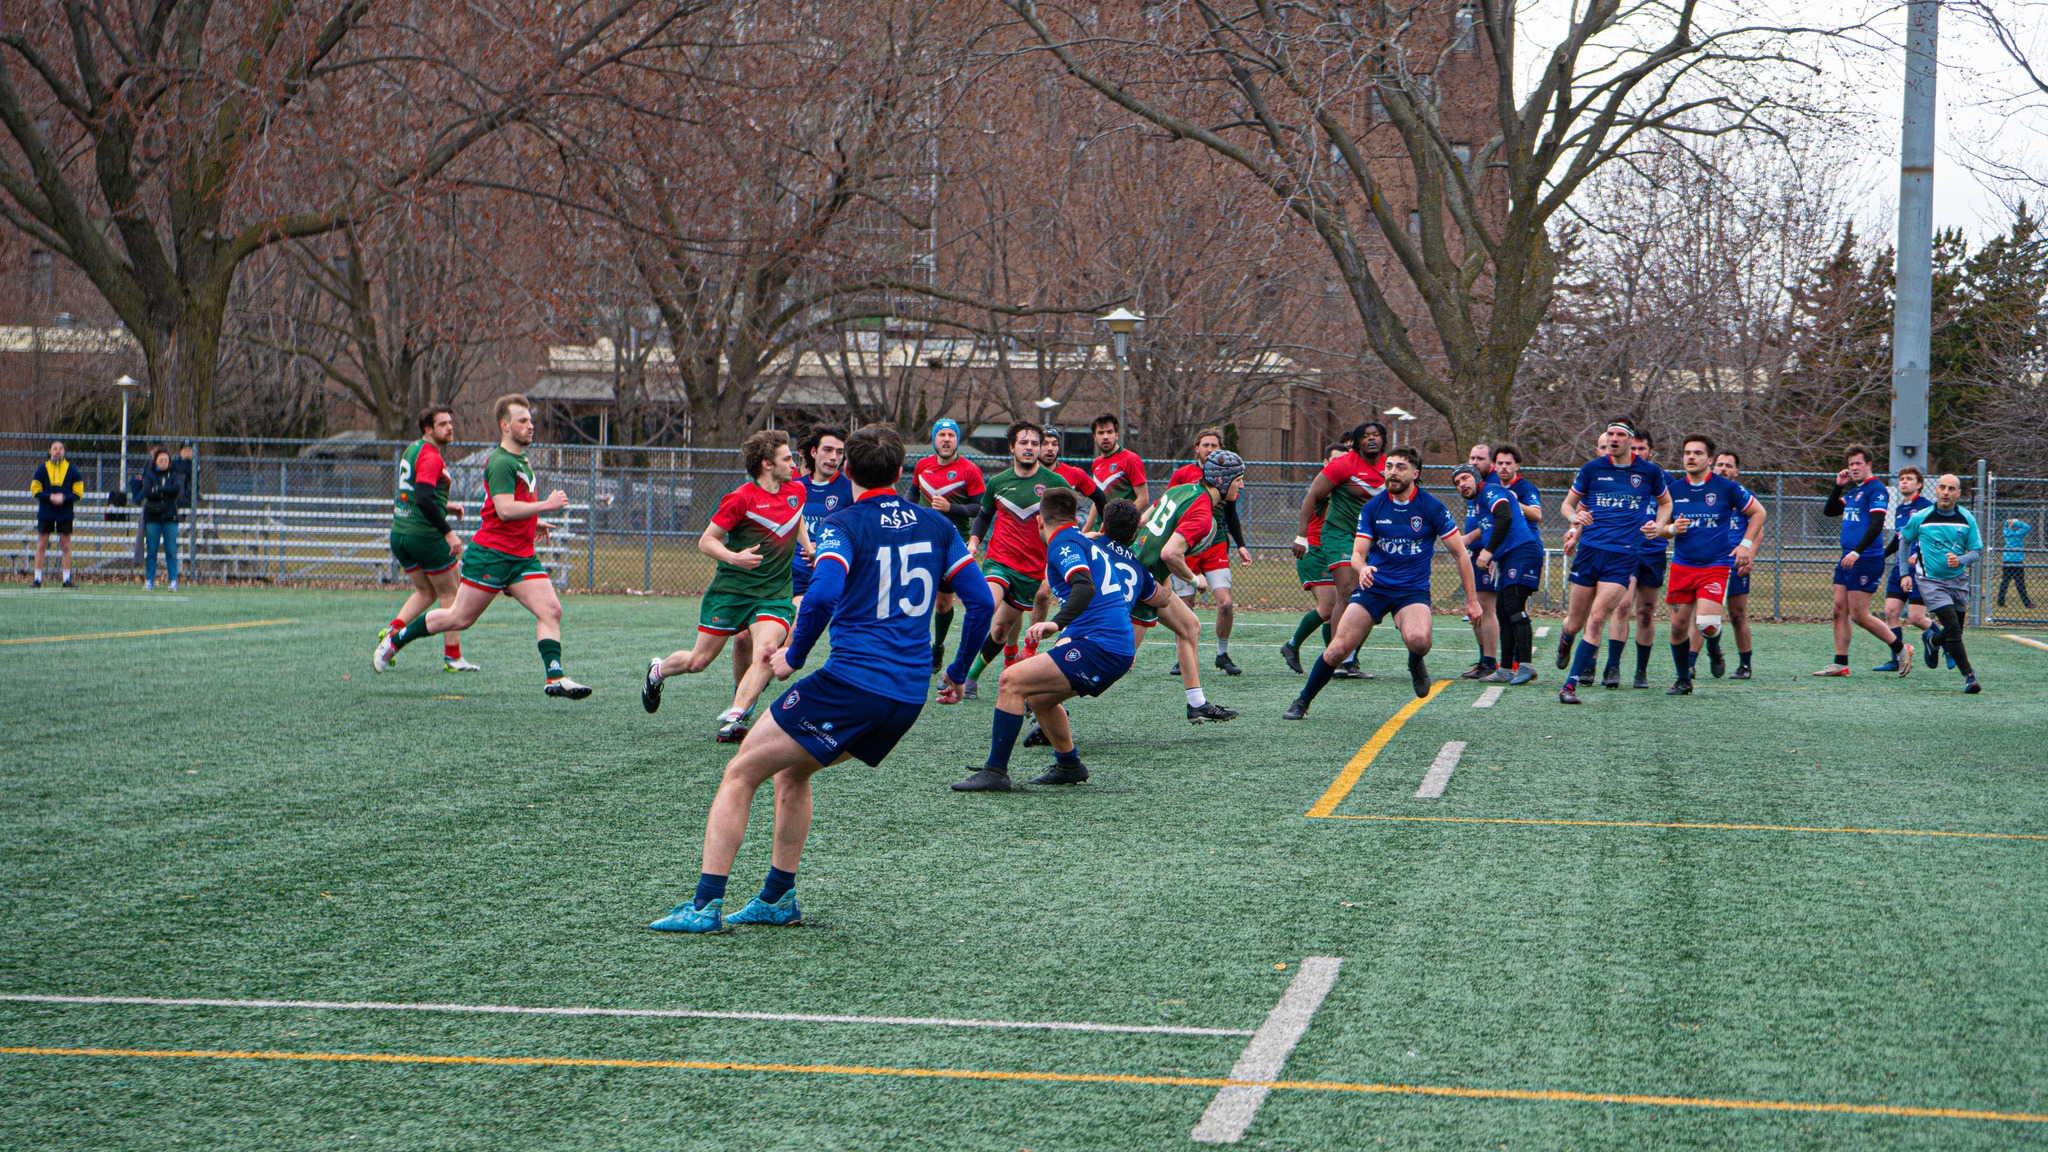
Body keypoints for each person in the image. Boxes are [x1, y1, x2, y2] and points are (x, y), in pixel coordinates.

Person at [649, 423, 995, 932]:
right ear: (902, 471)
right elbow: (981, 602)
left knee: (740, 773)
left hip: (851, 686)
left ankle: (703, 907)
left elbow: (823, 594)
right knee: (792, 772)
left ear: (848, 469)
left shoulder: (845, 523)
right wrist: (958, 672)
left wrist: (793, 656)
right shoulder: (937, 525)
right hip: (906, 698)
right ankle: (777, 898)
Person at [375, 394, 590, 698]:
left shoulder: (520, 460)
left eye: (530, 420)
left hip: (521, 557)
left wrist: (534, 522)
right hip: (491, 555)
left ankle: (555, 677)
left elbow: (507, 506)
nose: (531, 425)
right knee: (458, 618)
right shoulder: (501, 461)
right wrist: (546, 504)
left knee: (551, 610)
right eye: (523, 420)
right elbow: (504, 509)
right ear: (505, 426)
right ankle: (395, 640)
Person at [953, 488, 1148, 792]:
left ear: (1039, 522)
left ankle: (995, 771)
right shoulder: (1080, 539)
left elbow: (1084, 587)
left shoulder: (1063, 543)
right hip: (1110, 647)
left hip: (1101, 648)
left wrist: (1055, 624)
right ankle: (1069, 765)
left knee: (1010, 681)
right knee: (1039, 698)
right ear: (1074, 518)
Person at [1283, 449, 1481, 718]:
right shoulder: (1373, 507)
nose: (1392, 472)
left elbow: (1460, 554)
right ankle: (1302, 701)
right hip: (1374, 588)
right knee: (1337, 649)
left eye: (1400, 467)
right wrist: (1362, 568)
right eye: (1389, 466)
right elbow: (1357, 554)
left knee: (1420, 641)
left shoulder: (1432, 507)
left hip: (1411, 591)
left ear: (1415, 474)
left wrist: (1472, 601)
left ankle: (1415, 661)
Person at [643, 428, 810, 740]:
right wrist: (735, 557)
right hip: (732, 592)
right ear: (767, 464)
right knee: (698, 661)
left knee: (766, 652)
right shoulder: (740, 499)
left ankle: (736, 717)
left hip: (773, 594)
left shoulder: (796, 491)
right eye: (787, 459)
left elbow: (796, 516)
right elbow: (706, 541)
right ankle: (657, 671)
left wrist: (808, 547)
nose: (794, 464)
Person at [960, 422, 1083, 696]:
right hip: (998, 561)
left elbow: (1072, 516)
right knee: (985, 605)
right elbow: (984, 516)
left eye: (1034, 443)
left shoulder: (1055, 483)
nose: (1029, 448)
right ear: (1011, 447)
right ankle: (961, 672)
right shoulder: (997, 482)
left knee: (1001, 629)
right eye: (1023, 443)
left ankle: (979, 673)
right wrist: (974, 542)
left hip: (1031, 570)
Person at [1554, 421, 1672, 704]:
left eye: (1620, 434)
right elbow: (1567, 505)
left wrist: (1658, 526)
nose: (1614, 438)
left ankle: (1569, 686)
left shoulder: (1649, 473)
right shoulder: (1592, 469)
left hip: (1623, 555)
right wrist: (1574, 518)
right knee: (1575, 623)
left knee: (1597, 619)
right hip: (1590, 552)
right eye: (1611, 434)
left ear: (1630, 440)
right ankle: (1566, 638)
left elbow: (1666, 503)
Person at [1129, 451, 1246, 723]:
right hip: (1141, 584)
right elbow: (1170, 553)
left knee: (1189, 627)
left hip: (1143, 573)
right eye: (1238, 479)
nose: (1241, 485)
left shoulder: (1181, 490)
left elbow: (1144, 520)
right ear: (1222, 480)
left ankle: (1197, 703)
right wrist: (1195, 580)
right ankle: (1045, 702)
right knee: (1116, 662)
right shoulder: (1204, 514)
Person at [1657, 435, 1767, 694]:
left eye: (1697, 453)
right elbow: (1659, 529)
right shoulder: (1673, 490)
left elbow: (1759, 513)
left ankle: (1713, 645)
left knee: (1707, 623)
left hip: (1715, 566)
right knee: (1678, 627)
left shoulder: (1726, 488)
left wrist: (1745, 546)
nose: (1690, 457)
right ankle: (1683, 679)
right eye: (1687, 452)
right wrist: (1671, 529)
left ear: (1709, 459)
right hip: (1683, 566)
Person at [381, 406, 477, 672]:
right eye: (443, 424)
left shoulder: (413, 449)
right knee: (451, 592)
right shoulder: (431, 456)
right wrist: (448, 532)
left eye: (450, 422)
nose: (450, 427)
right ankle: (453, 657)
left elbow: (416, 494)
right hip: (424, 535)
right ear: (428, 429)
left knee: (426, 591)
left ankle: (392, 633)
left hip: (401, 533)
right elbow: (423, 498)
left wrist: (446, 506)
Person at [1291, 421, 1388, 679]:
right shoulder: (1344, 464)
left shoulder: (1390, 467)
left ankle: (1350, 659)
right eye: (1365, 436)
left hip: (1372, 538)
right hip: (1339, 534)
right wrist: (1302, 535)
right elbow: (1312, 496)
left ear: (1383, 439)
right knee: (1347, 589)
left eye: (1376, 435)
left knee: (1370, 595)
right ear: (1356, 442)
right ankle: (1336, 657)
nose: (1371, 439)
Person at [1165, 428, 1253, 676]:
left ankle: (1222, 654)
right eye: (1206, 445)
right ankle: (1183, 655)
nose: (1210, 449)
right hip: (1188, 547)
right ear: (1197, 448)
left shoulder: (1227, 476)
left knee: (1225, 603)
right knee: (1185, 605)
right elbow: (1169, 502)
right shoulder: (1183, 475)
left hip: (1215, 545)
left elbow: (1231, 513)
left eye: (1215, 445)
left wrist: (1241, 545)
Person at [1817, 444, 1907, 676]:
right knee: (1839, 610)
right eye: (1851, 464)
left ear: (1868, 464)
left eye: (1858, 463)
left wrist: (1857, 552)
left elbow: (1876, 525)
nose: (1854, 468)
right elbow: (1829, 511)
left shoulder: (1876, 489)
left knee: (1859, 615)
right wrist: (1838, 486)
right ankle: (1840, 663)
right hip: (1847, 558)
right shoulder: (1854, 492)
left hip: (1865, 559)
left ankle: (1901, 649)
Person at [1455, 461, 1544, 685]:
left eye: (1465, 478)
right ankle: (1504, 669)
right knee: (1503, 612)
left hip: (1523, 552)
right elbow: (1492, 527)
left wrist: (1488, 552)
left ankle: (1526, 665)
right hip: (1508, 557)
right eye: (1457, 482)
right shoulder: (1478, 502)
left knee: (1514, 608)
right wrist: (1496, 557)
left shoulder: (1491, 490)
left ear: (1477, 478)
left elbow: (1505, 516)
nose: (1461, 484)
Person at [912, 418, 986, 673]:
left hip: (953, 546)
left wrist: (950, 507)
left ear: (957, 440)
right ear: (934, 439)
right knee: (917, 597)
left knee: (943, 604)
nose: (946, 439)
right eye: (941, 434)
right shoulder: (922, 466)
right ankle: (918, 647)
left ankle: (938, 647)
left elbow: (980, 508)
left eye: (951, 435)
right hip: (923, 543)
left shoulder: (969, 470)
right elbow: (912, 494)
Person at [1025, 424, 1105, 657]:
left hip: (1060, 544)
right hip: (1033, 544)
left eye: (1055, 444)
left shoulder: (1073, 474)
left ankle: (1033, 647)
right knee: (1020, 600)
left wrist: (1101, 529)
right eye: (1045, 443)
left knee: (1044, 593)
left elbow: (1101, 498)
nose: (1050, 448)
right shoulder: (1025, 474)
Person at [1903, 473, 1986, 693]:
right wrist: (1904, 574)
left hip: (1958, 580)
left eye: (1951, 489)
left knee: (1955, 630)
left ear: (1958, 493)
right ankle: (1969, 677)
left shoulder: (1966, 518)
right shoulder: (1922, 517)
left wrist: (1961, 560)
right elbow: (1904, 541)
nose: (1946, 492)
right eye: (1942, 487)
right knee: (1952, 629)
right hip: (1930, 581)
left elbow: (1976, 551)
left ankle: (1932, 641)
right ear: (1936, 490)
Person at [1279, 443, 1349, 676]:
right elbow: (1310, 503)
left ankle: (1334, 659)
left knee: (1338, 606)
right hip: (1315, 550)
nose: (1340, 465)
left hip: (1334, 550)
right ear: (1326, 463)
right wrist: (1301, 537)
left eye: (1344, 461)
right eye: (1335, 460)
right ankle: (1292, 645)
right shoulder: (1326, 483)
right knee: (1328, 607)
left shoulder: (1349, 484)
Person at [1876, 466, 1933, 671]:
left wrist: (1919, 555)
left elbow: (1933, 536)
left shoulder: (1927, 507)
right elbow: (1899, 539)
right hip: (1900, 568)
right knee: (1890, 612)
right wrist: (1880, 556)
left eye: (1909, 479)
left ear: (1919, 484)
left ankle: (1944, 643)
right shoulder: (1900, 509)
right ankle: (1897, 659)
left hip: (1918, 568)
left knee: (1916, 617)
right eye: (1901, 479)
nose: (1904, 482)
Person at [1708, 451, 1759, 679]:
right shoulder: (1705, 494)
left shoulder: (1743, 496)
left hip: (1735, 563)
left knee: (1738, 614)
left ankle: (1745, 665)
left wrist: (1749, 555)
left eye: (1728, 465)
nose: (1723, 469)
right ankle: (1691, 663)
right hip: (1709, 563)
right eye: (1720, 464)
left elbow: (1758, 527)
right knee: (1705, 617)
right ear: (1713, 467)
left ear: (1736, 472)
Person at [790, 424, 851, 609]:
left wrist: (827, 547)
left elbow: (858, 537)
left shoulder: (850, 490)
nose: (834, 457)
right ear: (814, 452)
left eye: (839, 452)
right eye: (828, 450)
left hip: (827, 578)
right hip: (788, 577)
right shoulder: (793, 487)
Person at [1458, 442, 1502, 679]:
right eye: (1472, 458)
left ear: (1491, 463)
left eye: (1480, 458)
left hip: (1489, 555)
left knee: (1486, 607)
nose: (1475, 462)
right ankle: (1484, 659)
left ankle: (1491, 662)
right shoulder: (1472, 486)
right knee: (1475, 607)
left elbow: (1496, 521)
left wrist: (1472, 540)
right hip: (1476, 556)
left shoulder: (1493, 486)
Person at [30, 439, 84, 588]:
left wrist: (64, 498)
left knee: (65, 545)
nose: (58, 451)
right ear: (50, 451)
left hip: (64, 512)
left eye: (60, 448)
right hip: (46, 511)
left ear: (64, 451)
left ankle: (66, 579)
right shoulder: (42, 469)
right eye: (54, 448)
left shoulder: (72, 470)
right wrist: (50, 497)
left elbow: (79, 493)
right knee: (42, 544)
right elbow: (35, 490)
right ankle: (37, 579)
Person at [140, 446, 183, 590]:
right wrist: (164, 493)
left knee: (171, 550)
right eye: (161, 460)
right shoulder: (149, 474)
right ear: (156, 461)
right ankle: (149, 580)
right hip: (153, 516)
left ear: (169, 461)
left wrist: (159, 489)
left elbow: (175, 489)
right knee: (152, 549)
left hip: (170, 516)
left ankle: (173, 580)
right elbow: (148, 491)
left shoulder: (174, 475)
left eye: (166, 460)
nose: (163, 462)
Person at [1089, 413, 1148, 509]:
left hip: (1124, 519)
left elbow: (1143, 499)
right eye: (1101, 433)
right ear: (1094, 437)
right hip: (1103, 519)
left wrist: (1123, 517)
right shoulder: (1096, 463)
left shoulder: (1130, 459)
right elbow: (1097, 501)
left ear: (1116, 435)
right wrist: (1089, 520)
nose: (1105, 437)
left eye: (1109, 432)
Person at [2000, 516, 2033, 609]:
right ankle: (2026, 603)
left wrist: (2008, 522)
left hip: (2007, 560)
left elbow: (2005, 526)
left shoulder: (2006, 533)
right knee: (2020, 583)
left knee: (2005, 581)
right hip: (2017, 561)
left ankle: (2000, 601)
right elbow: (2027, 527)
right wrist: (2017, 523)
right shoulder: (2019, 534)